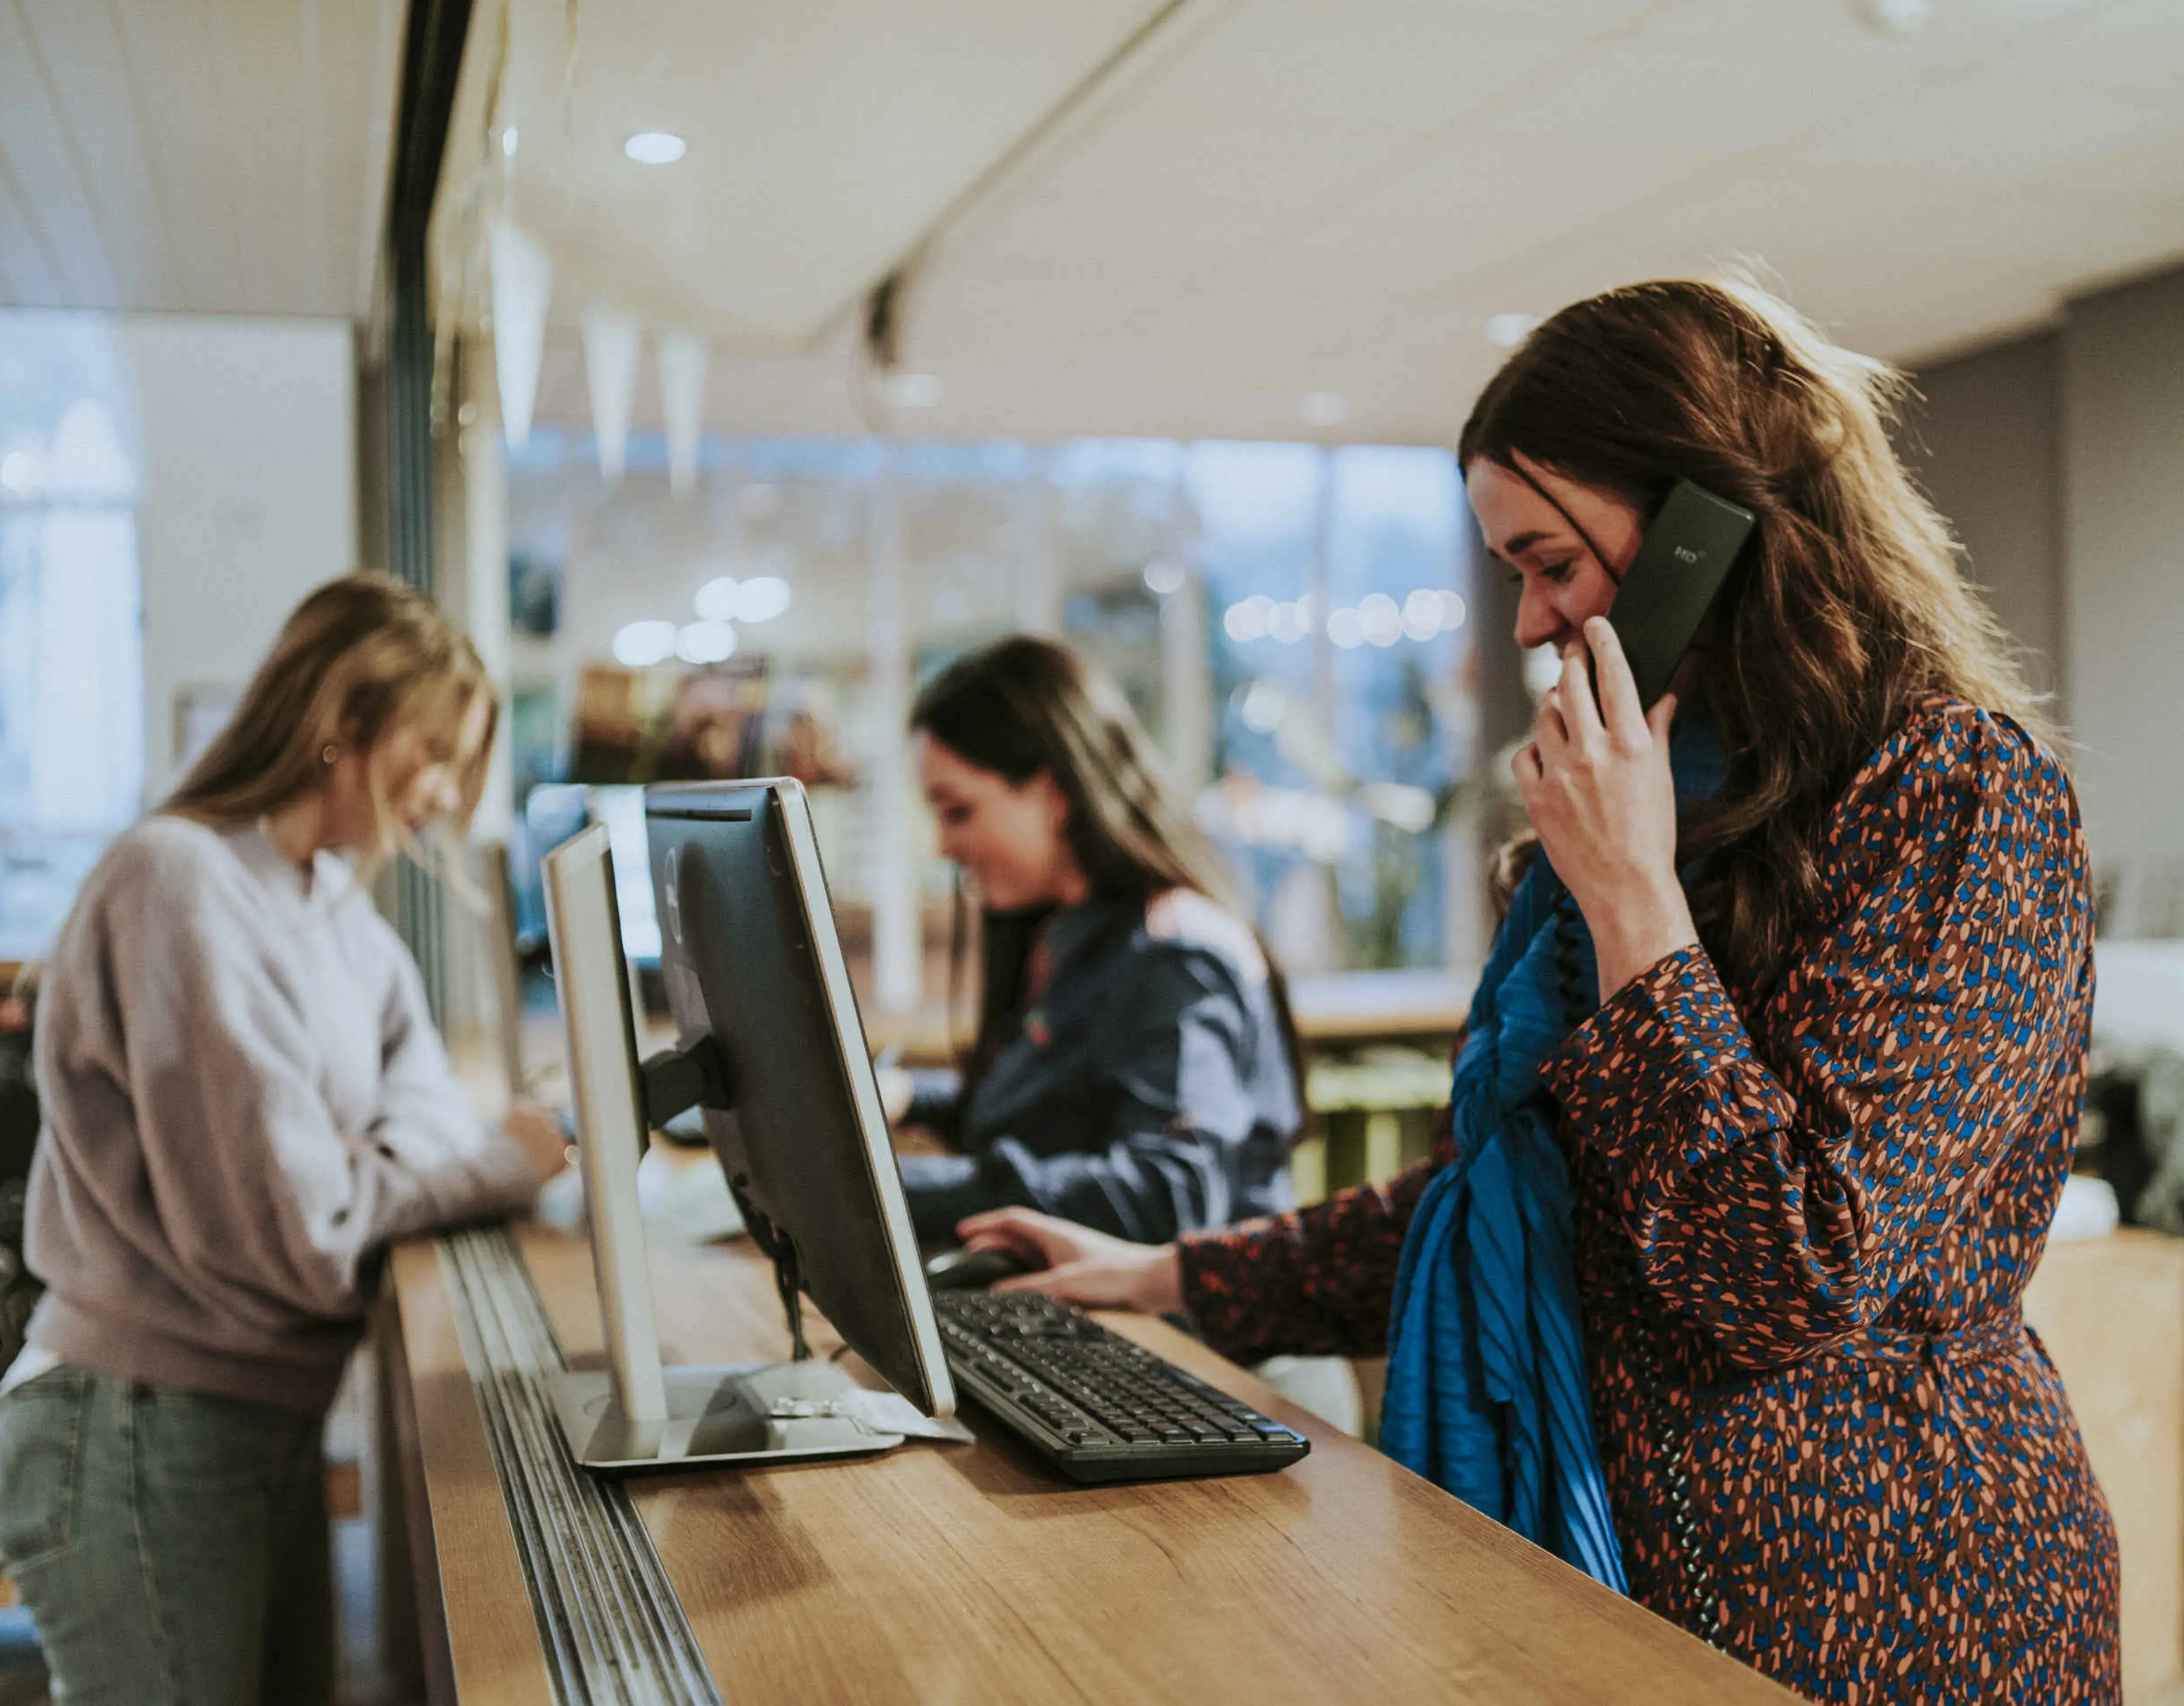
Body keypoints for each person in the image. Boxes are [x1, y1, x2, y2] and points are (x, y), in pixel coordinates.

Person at [951, 280, 2119, 1705]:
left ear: (1711, 528)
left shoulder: (1954, 795)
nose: (1525, 621)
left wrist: (1635, 900)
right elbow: (1500, 1199)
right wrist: (1176, 1273)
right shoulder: (1616, 833)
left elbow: (1792, 1273)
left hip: (1877, 1612)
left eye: (1549, 560)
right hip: (1592, 1583)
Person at [0, 575, 570, 1706]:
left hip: (253, 1422)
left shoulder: (331, 906)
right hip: (138, 1428)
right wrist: (497, 1161)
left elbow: (428, 1101)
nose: (446, 793)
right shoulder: (181, 877)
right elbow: (303, 1228)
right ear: (341, 724)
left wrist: (369, 1155)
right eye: (434, 750)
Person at [882, 635, 1302, 1246]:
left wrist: (890, 1193)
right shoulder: (1069, 930)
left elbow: (1168, 1195)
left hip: (1186, 1339)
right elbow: (1059, 1095)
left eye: (959, 811)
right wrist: (909, 1094)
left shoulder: (1177, 952)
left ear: (1052, 793)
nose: (943, 846)